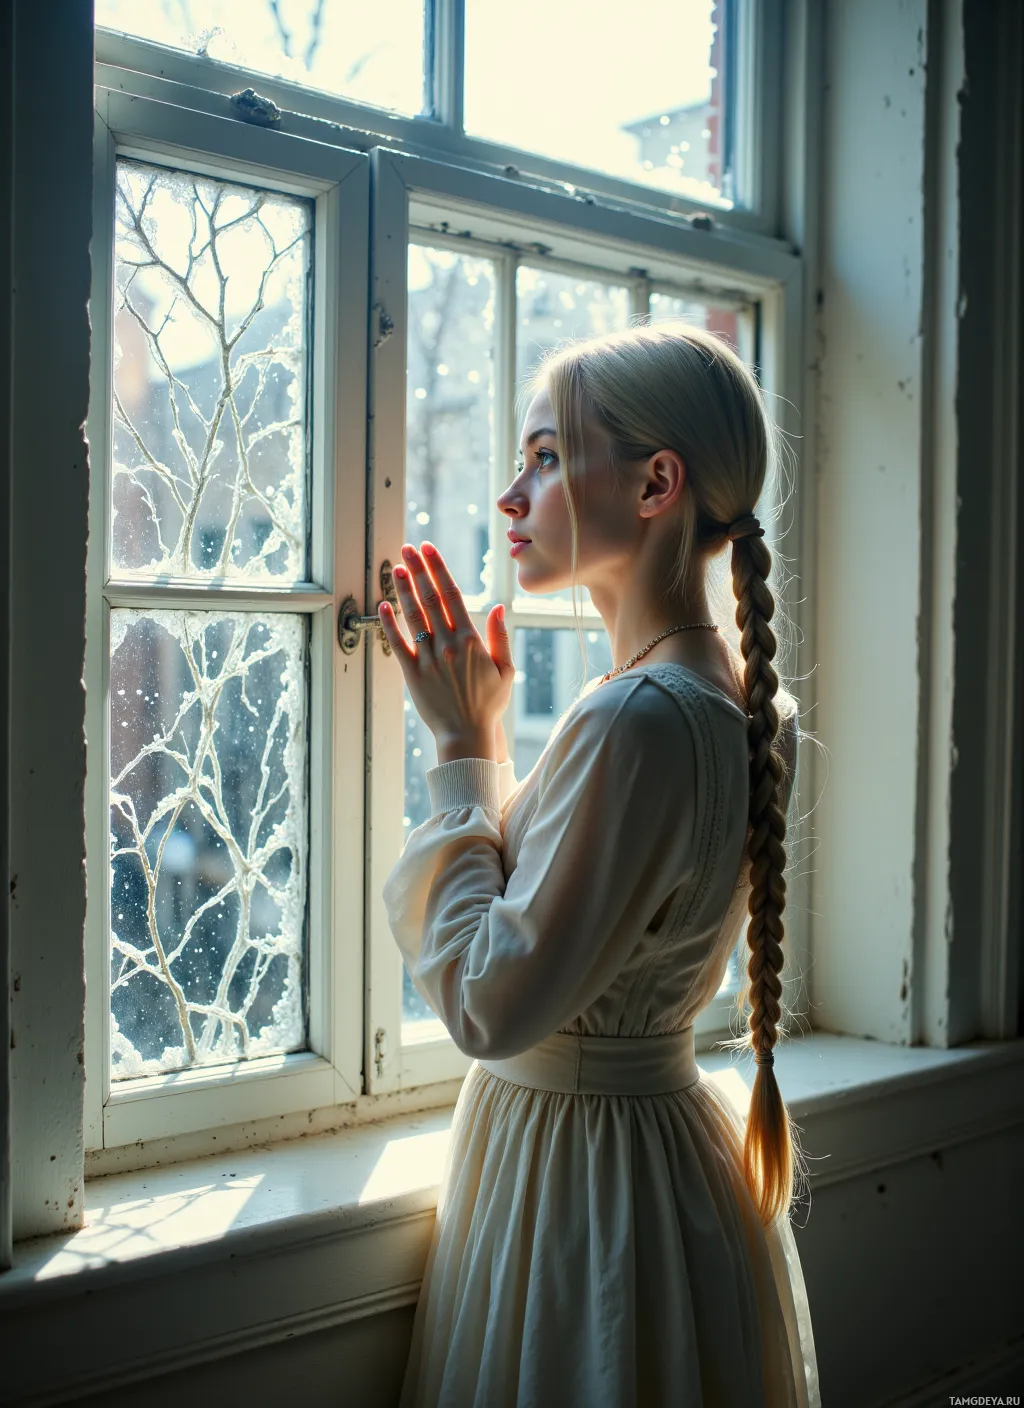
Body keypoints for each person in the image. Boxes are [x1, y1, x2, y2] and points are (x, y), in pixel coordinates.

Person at [378, 322, 821, 1407]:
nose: (508, 496)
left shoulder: (636, 719)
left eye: (542, 455)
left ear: (655, 482)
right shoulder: (748, 707)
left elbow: (489, 1004)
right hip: (664, 1165)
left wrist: (463, 751)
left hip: (579, 1192)